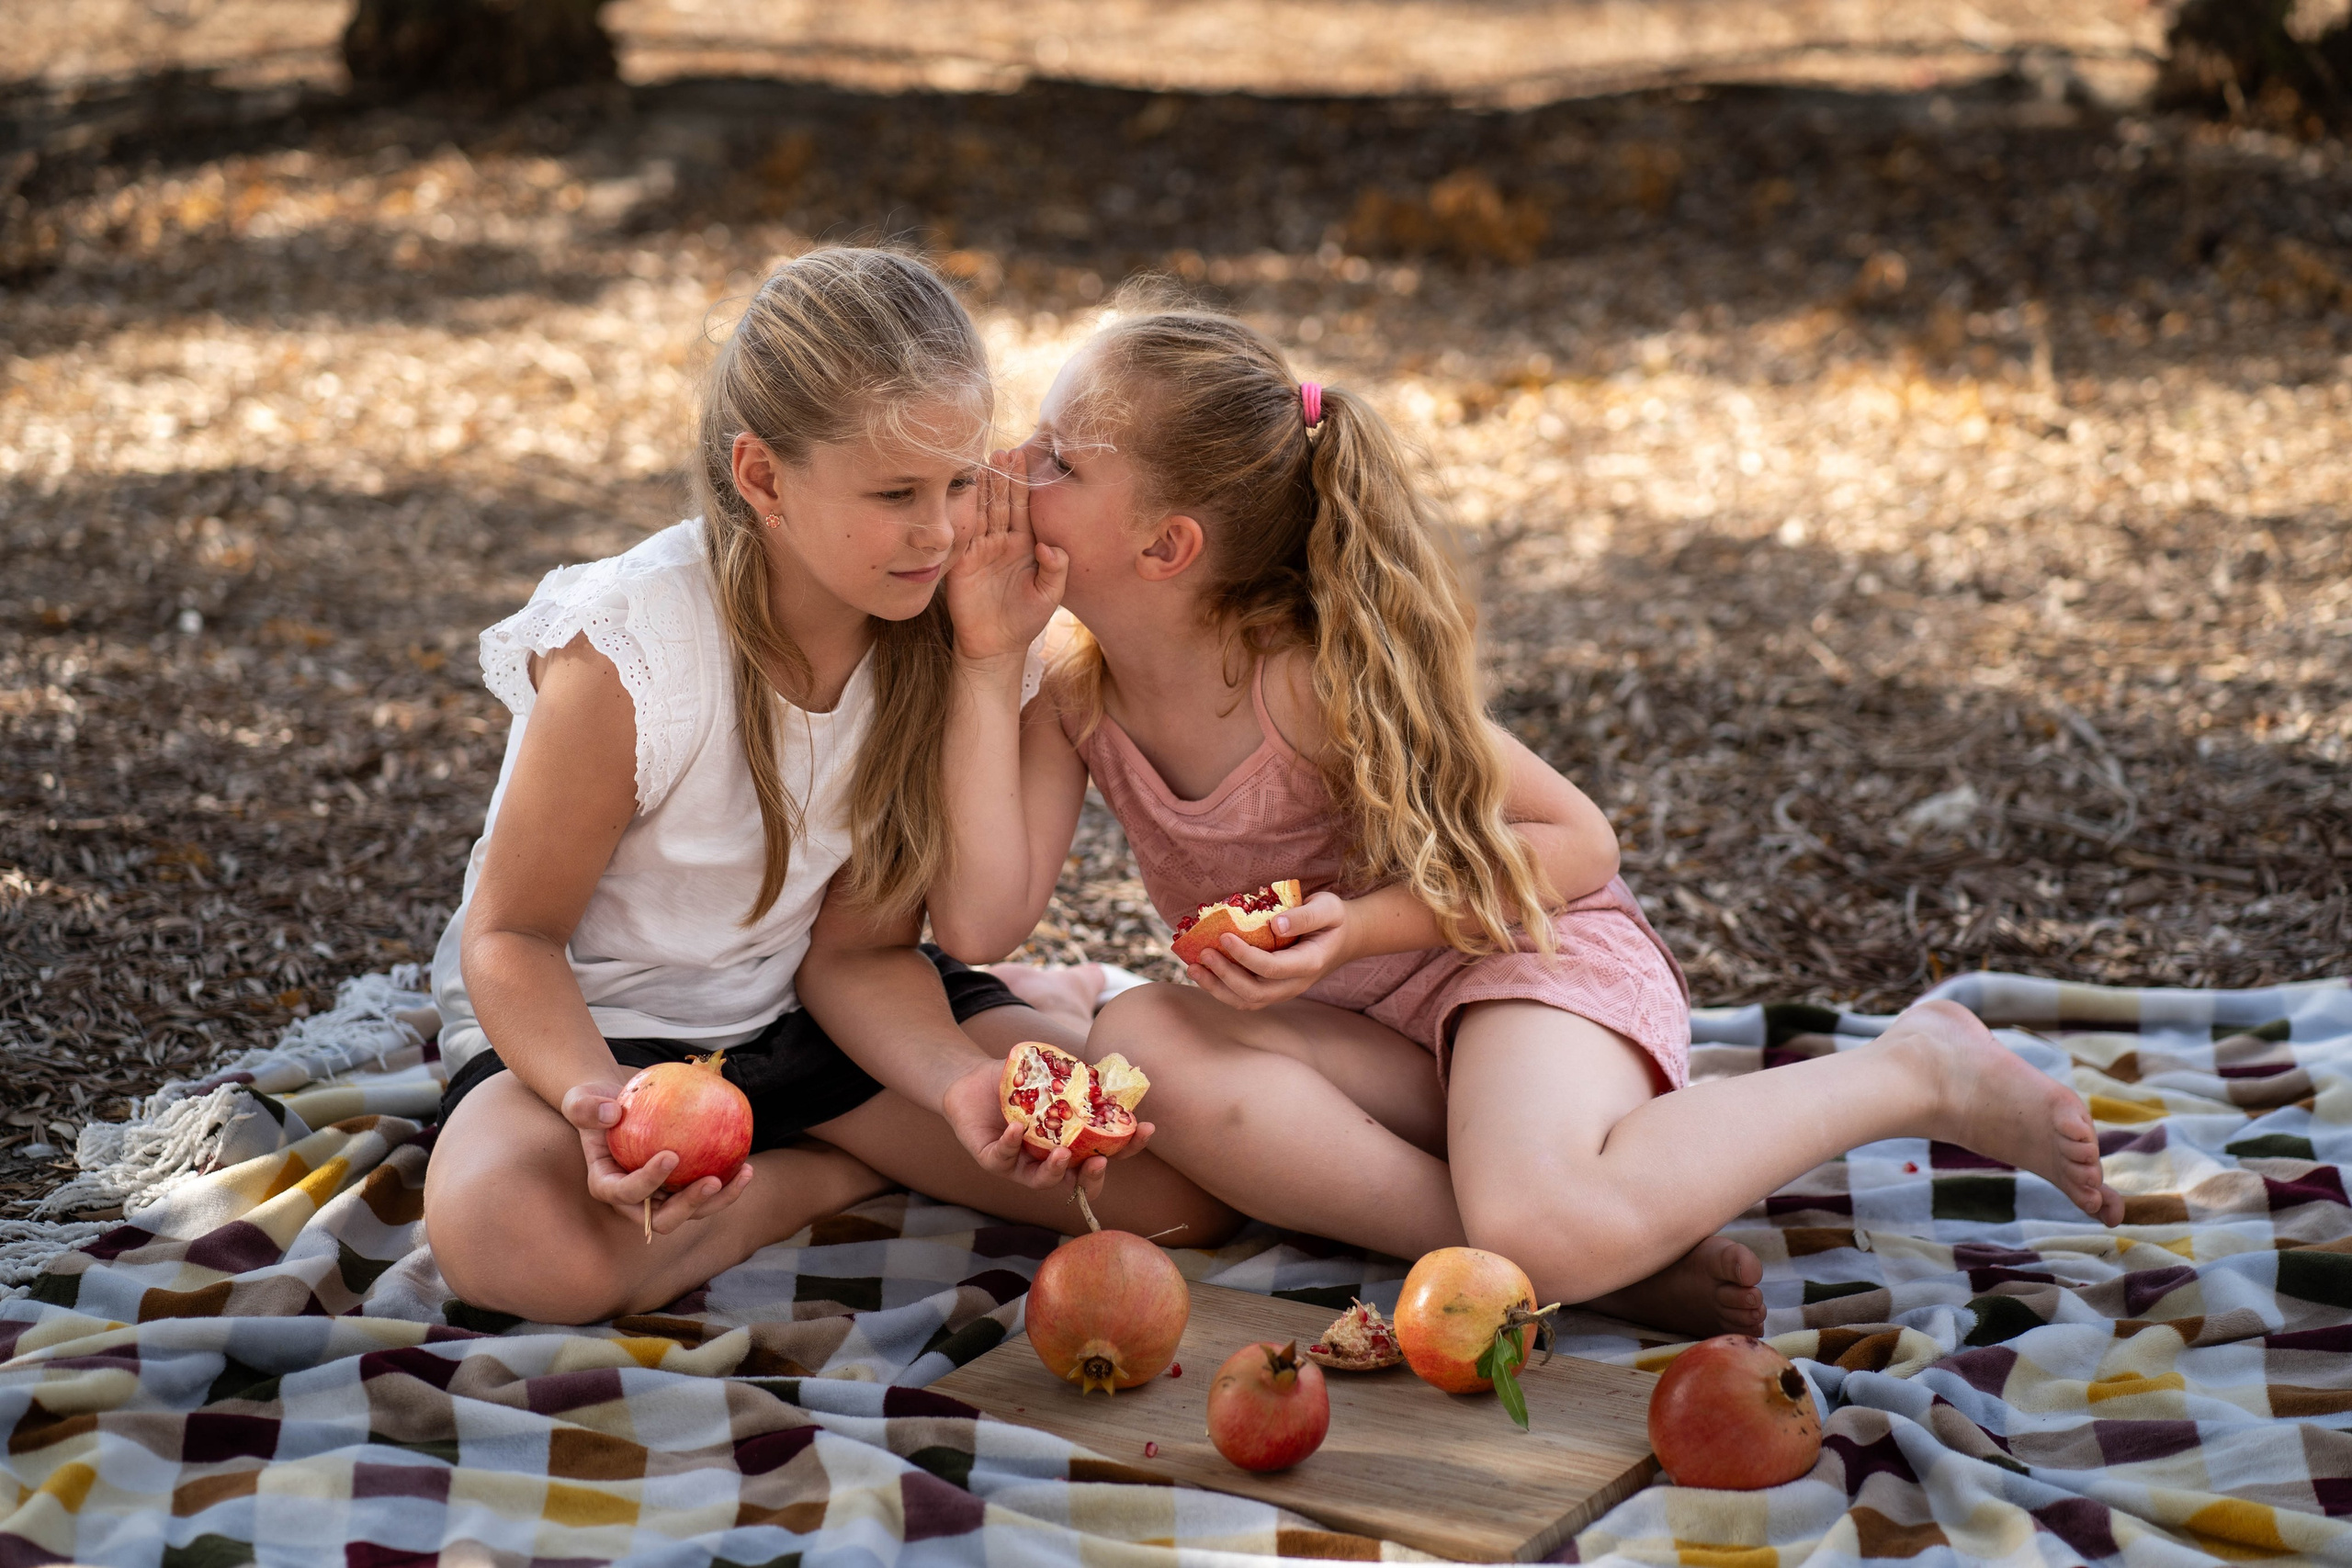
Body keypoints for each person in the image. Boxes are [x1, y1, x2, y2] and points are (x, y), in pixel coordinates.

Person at [933, 305, 2123, 1337]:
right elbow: (983, 919)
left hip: (1524, 966)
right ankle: (1592, 1265)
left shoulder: (1305, 679)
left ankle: (1914, 1067)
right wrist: (989, 666)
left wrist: (1359, 926)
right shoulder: (1075, 699)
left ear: (1164, 545)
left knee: (1533, 1216)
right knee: (1140, 1034)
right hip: (1388, 1043)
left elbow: (1578, 846)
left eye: (1056, 457)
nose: (1010, 461)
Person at [422, 252, 1232, 1326]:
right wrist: (593, 1101)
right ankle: (822, 1176)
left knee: (1171, 1198)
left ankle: (812, 1153)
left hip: (820, 1013)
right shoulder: (632, 654)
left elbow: (859, 953)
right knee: (516, 1252)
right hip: (605, 1033)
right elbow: (510, 939)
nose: (940, 531)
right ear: (762, 478)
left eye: (958, 482)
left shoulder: (945, 630)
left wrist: (953, 1084)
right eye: (895, 494)